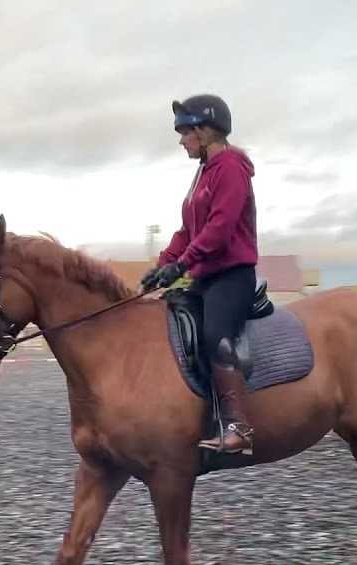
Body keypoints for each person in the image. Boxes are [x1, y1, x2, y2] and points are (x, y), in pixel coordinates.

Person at [141, 93, 259, 455]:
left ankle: (239, 427)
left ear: (206, 131)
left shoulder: (231, 167)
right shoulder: (203, 174)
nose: (181, 141)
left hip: (233, 275)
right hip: (205, 277)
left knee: (214, 337)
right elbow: (187, 232)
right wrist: (161, 266)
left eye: (185, 133)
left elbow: (219, 229)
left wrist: (183, 264)